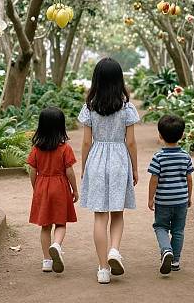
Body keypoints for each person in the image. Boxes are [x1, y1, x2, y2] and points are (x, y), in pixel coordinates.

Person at [79, 58, 139, 284]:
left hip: (96, 159)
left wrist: (85, 167)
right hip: (119, 161)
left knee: (99, 216)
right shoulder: (126, 107)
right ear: (119, 80)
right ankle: (114, 250)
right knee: (117, 212)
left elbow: (86, 142)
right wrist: (134, 168)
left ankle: (103, 269)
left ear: (97, 80)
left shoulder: (89, 107)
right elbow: (131, 142)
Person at [27, 106, 79, 274]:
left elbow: (32, 170)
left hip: (42, 185)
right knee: (61, 222)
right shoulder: (65, 148)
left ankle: (46, 261)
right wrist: (75, 190)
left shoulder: (36, 148)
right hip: (60, 186)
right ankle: (56, 245)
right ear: (61, 126)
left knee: (45, 226)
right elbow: (69, 171)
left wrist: (36, 188)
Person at [148, 114, 194, 275]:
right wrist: (188, 197)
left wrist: (150, 198)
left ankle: (166, 250)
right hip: (181, 200)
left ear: (160, 135)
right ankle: (175, 261)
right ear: (182, 135)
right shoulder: (185, 156)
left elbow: (154, 179)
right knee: (178, 230)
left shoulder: (158, 157)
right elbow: (189, 178)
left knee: (160, 226)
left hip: (163, 201)